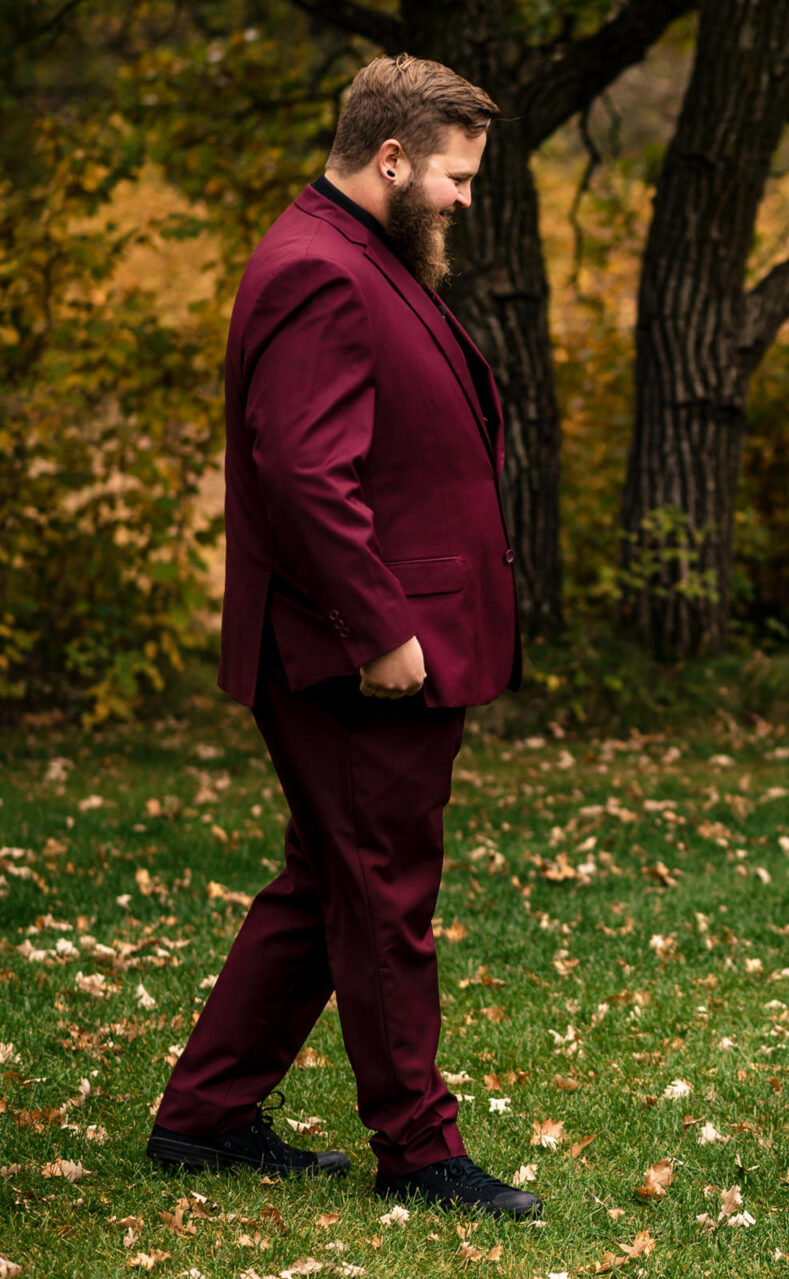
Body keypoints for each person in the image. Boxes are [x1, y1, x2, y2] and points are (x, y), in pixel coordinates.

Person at [144, 55, 537, 1219]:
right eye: (457, 178)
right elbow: (305, 475)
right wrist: (380, 630)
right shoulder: (318, 268)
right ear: (392, 159)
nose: (467, 200)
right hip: (353, 653)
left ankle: (206, 1118)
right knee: (380, 890)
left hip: (370, 639)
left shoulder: (354, 252)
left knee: (328, 878)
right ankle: (419, 1149)